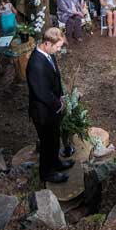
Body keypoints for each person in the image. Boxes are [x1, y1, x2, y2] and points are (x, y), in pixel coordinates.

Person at [26, 28, 74, 184]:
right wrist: (58, 103)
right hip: (43, 112)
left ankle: (56, 163)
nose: (58, 50)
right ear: (47, 43)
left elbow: (55, 78)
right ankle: (47, 173)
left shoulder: (48, 54)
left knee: (54, 139)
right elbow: (42, 92)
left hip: (52, 107)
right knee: (47, 143)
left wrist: (61, 96)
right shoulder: (35, 64)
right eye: (57, 46)